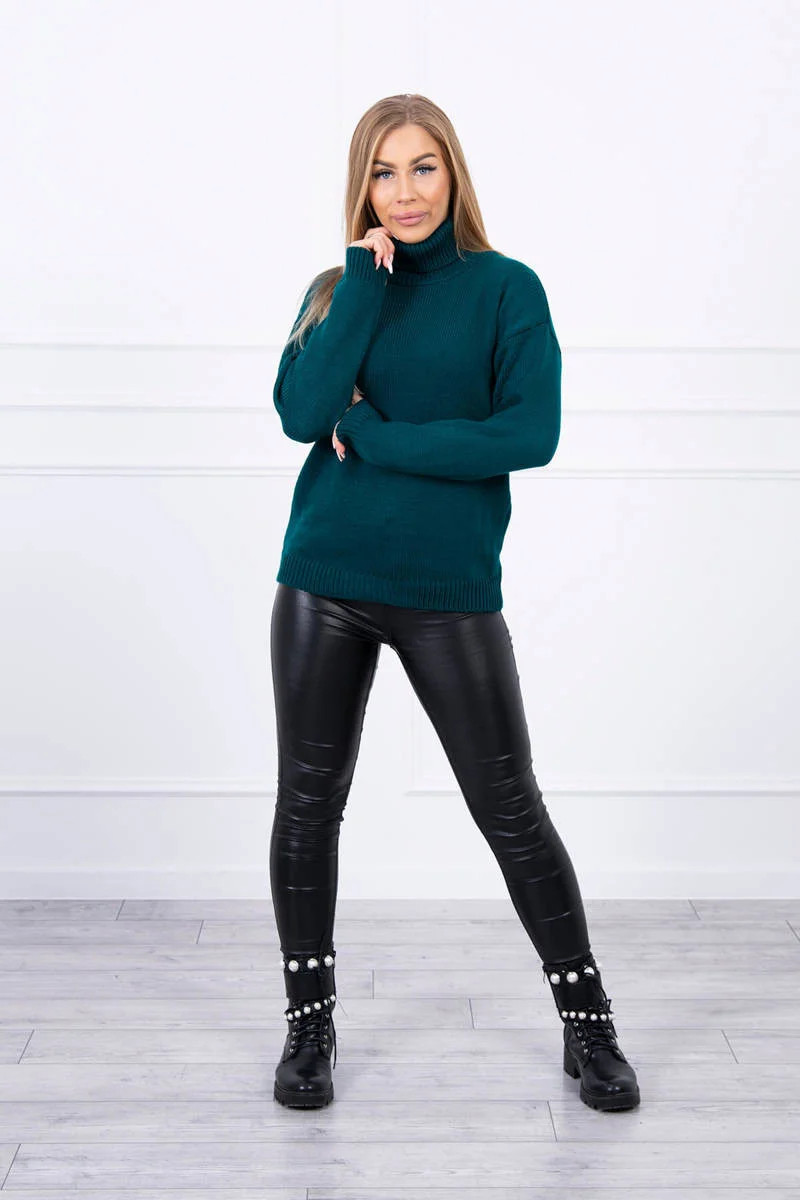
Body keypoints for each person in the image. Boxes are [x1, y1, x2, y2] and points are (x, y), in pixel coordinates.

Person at [269, 93, 640, 1114]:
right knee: (307, 807)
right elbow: (301, 414)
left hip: (448, 592)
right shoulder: (335, 291)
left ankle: (588, 1023)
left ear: (453, 173)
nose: (405, 192)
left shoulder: (505, 289)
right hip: (322, 581)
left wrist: (374, 436)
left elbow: (527, 434)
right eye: (383, 172)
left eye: (422, 167)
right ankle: (309, 1024)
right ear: (361, 186)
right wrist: (360, 282)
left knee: (509, 808)